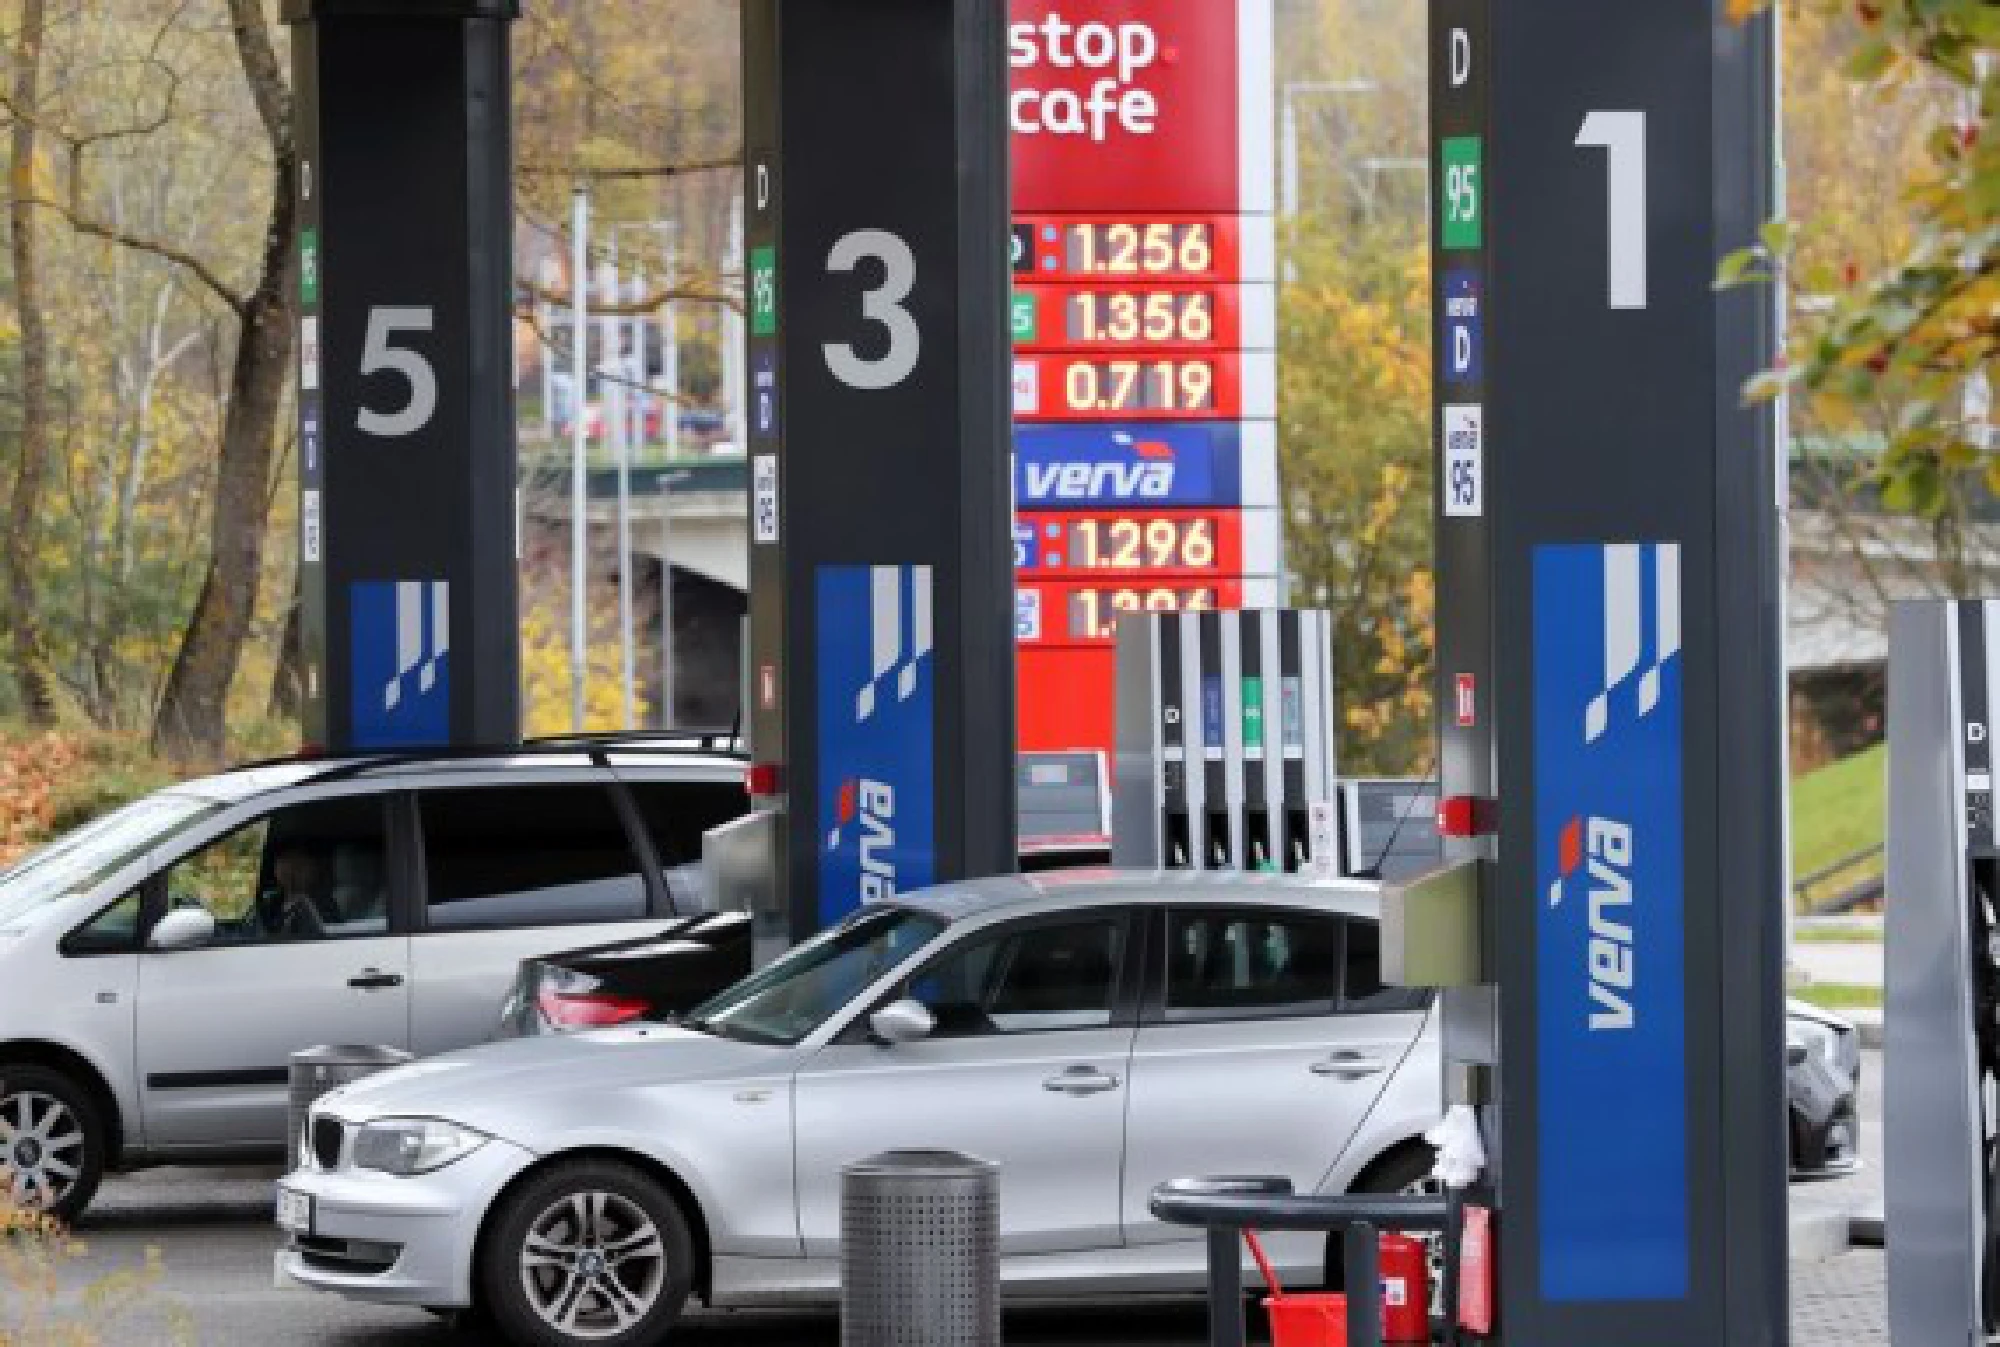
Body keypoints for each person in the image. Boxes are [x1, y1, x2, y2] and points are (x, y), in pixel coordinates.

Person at [251, 846, 328, 939]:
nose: (291, 872)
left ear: (313, 870)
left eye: (299, 866)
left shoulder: (325, 903)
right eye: (284, 863)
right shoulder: (270, 905)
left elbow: (326, 936)